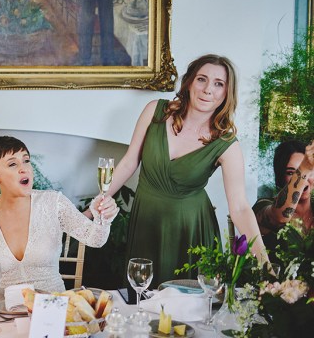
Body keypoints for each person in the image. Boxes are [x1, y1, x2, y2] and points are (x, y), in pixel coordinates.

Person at [97, 54, 269, 286]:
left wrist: (264, 263)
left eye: (219, 84)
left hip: (191, 230)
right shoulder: (155, 112)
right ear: (188, 82)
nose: (208, 89)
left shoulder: (226, 144)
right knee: (142, 298)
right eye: (202, 79)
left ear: (227, 93)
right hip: (147, 221)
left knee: (187, 310)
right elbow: (129, 163)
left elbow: (239, 207)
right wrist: (90, 212)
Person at [0, 136, 119, 292]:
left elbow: (95, 239)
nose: (24, 168)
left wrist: (104, 218)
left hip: (52, 304)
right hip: (3, 310)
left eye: (26, 160)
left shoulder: (54, 202)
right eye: (13, 164)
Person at [253, 140, 313, 252]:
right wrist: (304, 167)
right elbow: (280, 217)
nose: (304, 180)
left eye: (310, 171)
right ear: (281, 176)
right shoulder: (262, 205)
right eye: (291, 173)